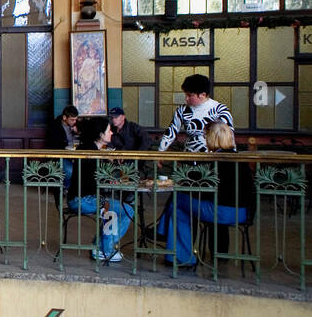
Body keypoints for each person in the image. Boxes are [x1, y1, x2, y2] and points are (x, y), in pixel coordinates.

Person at [157, 122, 255, 270]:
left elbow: (201, 187)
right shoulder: (239, 160)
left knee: (178, 199)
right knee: (179, 207)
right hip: (243, 214)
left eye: (205, 136)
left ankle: (176, 251)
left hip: (220, 211)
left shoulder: (215, 161)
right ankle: (172, 248)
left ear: (212, 138)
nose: (204, 140)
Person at [66, 115, 135, 263]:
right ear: (100, 134)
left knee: (112, 209)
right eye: (109, 130)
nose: (112, 133)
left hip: (84, 198)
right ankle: (105, 249)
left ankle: (101, 247)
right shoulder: (90, 152)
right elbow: (94, 179)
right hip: (82, 199)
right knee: (127, 210)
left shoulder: (90, 149)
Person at [158, 74, 233, 154]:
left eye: (190, 95)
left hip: (213, 159)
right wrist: (160, 152)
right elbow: (171, 132)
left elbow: (228, 138)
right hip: (188, 158)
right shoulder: (182, 110)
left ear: (202, 95)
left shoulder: (220, 110)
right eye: (185, 94)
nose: (186, 98)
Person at [45, 105, 80, 187]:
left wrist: (79, 132)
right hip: (60, 156)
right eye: (72, 120)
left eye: (75, 119)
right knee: (70, 171)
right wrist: (66, 148)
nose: (74, 122)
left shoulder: (77, 125)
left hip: (76, 155)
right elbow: (53, 146)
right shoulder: (55, 127)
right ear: (64, 117)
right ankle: (66, 189)